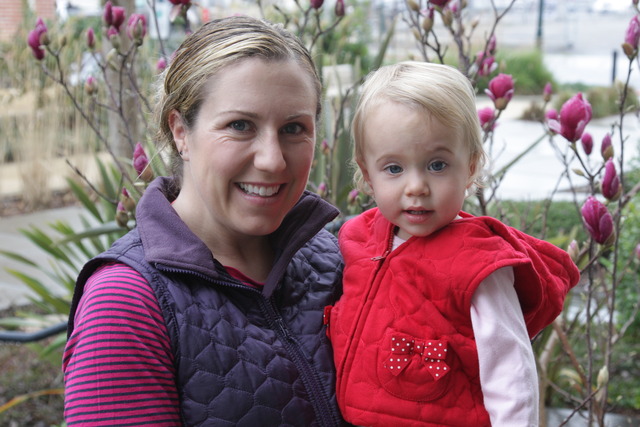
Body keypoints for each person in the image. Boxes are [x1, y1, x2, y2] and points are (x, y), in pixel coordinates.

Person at [63, 15, 348, 426]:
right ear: (181, 131)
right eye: (240, 125)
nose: (272, 160)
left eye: (293, 128)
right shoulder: (125, 303)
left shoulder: (333, 260)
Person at [325, 61, 581, 426]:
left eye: (437, 165)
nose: (416, 187)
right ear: (368, 174)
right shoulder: (358, 238)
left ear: (471, 167)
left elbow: (510, 375)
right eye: (394, 168)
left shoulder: (479, 265)